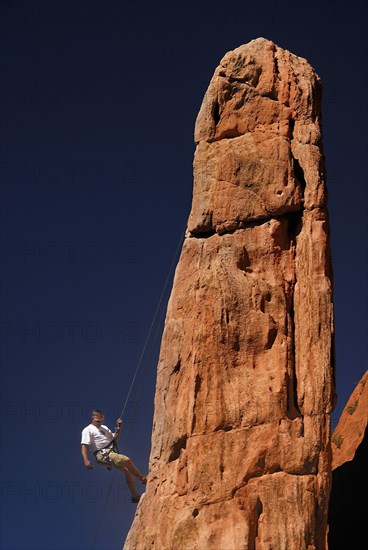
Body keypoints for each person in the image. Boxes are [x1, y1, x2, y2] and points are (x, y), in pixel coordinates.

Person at [81, 408, 147, 503]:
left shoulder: (104, 428)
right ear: (93, 418)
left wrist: (119, 428)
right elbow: (84, 446)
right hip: (102, 454)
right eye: (98, 418)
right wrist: (86, 460)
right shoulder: (88, 430)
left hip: (110, 452)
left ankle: (134, 496)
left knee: (127, 471)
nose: (100, 421)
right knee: (126, 460)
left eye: (101, 418)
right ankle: (143, 479)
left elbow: (114, 439)